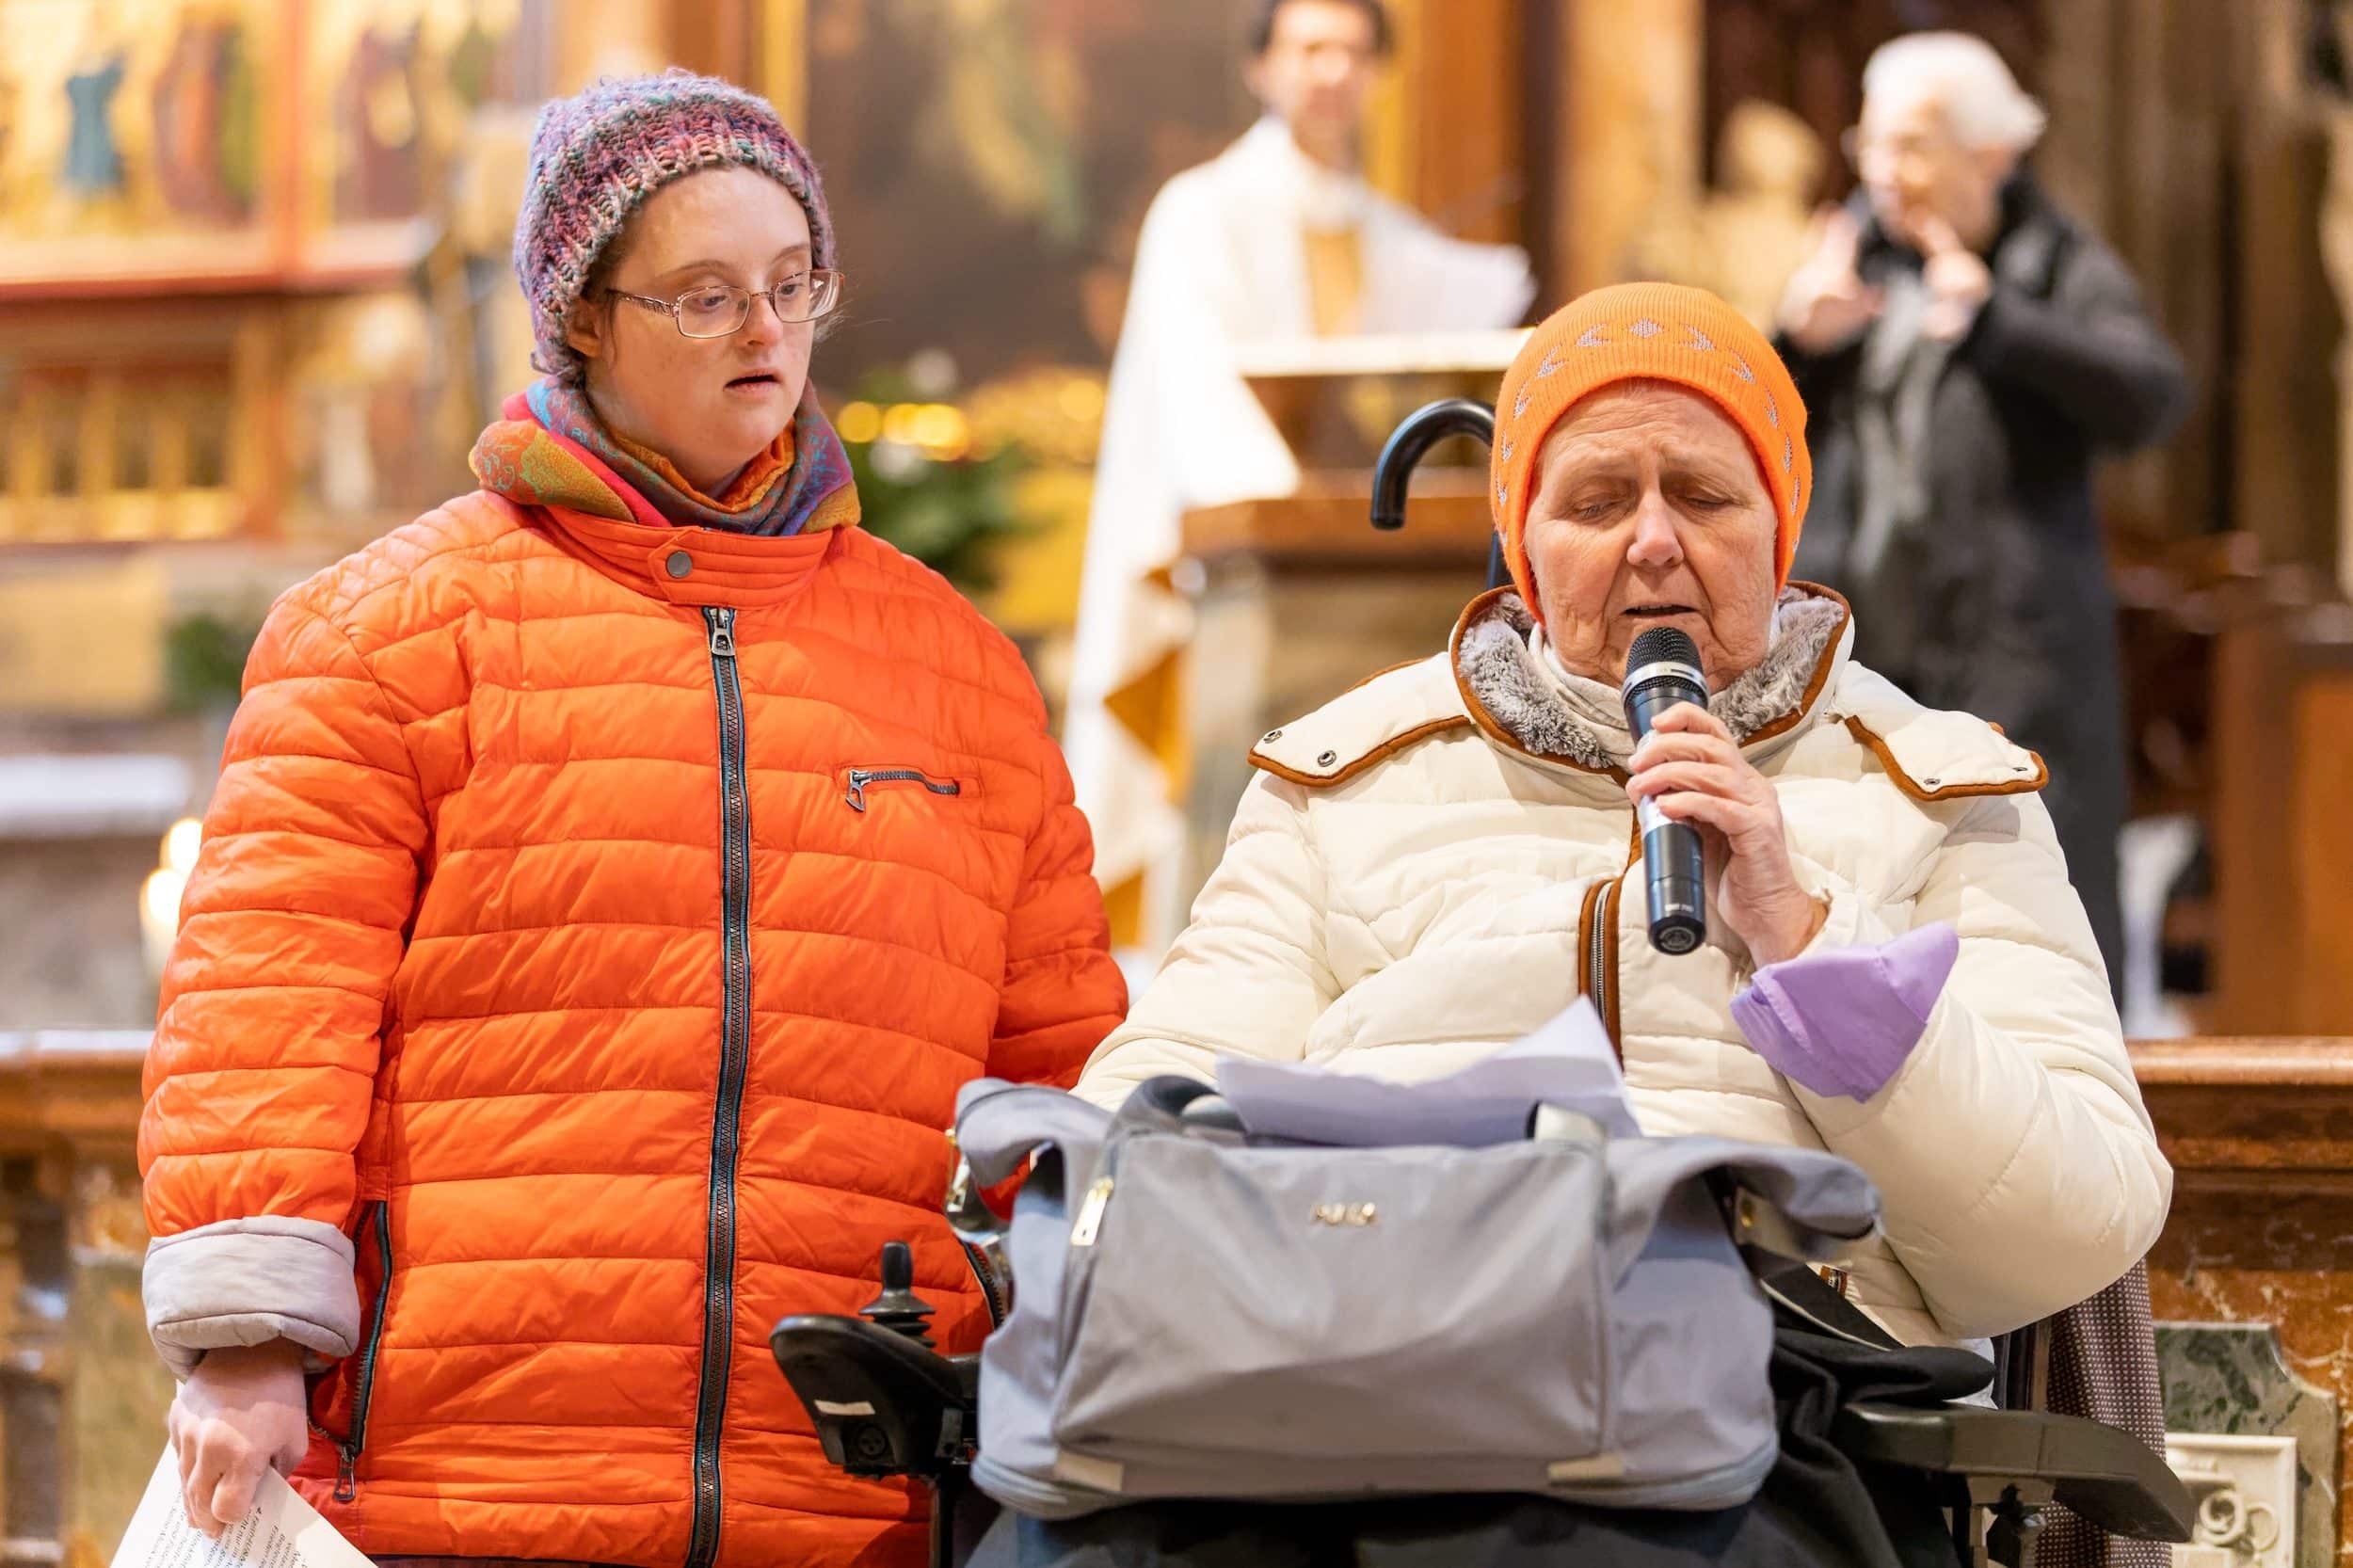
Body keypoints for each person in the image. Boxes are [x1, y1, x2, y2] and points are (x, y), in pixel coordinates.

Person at [139, 71, 1126, 1568]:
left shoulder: (957, 669)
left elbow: (1057, 1060)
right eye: (706, 294)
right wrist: (244, 1343)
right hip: (462, 1478)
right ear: (582, 319)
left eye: (794, 285)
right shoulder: (384, 632)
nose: (768, 332)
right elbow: (268, 1005)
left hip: (851, 1495)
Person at [1077, 282, 2171, 1350]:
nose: (1651, 541)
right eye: (1596, 503)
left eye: (1701, 496)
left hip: (1782, 1420)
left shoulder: (1939, 788)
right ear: (1525, 547)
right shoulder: (1341, 778)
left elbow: (2073, 1233)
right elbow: (1145, 1131)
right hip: (1378, 1378)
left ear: (1779, 531)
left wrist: (1808, 944)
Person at [1064, 0, 1537, 963]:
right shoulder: (1200, 210)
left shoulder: (1388, 230)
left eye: (1354, 52)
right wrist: (1287, 500)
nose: (1332, 71)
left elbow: (1432, 349)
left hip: (1364, 568)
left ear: (1377, 75)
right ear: (1262, 68)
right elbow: (1195, 384)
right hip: (1248, 564)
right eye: (1310, 49)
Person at [1774, 32, 2191, 987]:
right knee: (1860, 914)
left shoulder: (2049, 261)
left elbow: (2150, 397)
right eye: (1870, 146)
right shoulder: (1849, 263)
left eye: (1913, 147)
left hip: (2016, 661)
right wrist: (1795, 340)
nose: (1886, 174)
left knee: (2033, 922)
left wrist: (1998, 318)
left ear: (1991, 156)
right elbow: (1744, 440)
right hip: (1866, 660)